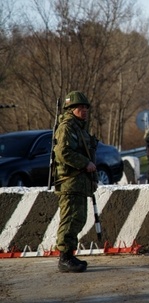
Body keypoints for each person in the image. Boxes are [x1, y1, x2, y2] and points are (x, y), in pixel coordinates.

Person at [53, 91, 99, 273]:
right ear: (71, 109)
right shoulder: (67, 127)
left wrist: (92, 178)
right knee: (70, 218)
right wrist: (84, 163)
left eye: (86, 107)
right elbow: (62, 152)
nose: (84, 110)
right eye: (80, 107)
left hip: (80, 182)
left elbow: (88, 154)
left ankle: (69, 254)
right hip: (69, 181)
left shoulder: (80, 128)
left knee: (78, 219)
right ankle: (64, 258)